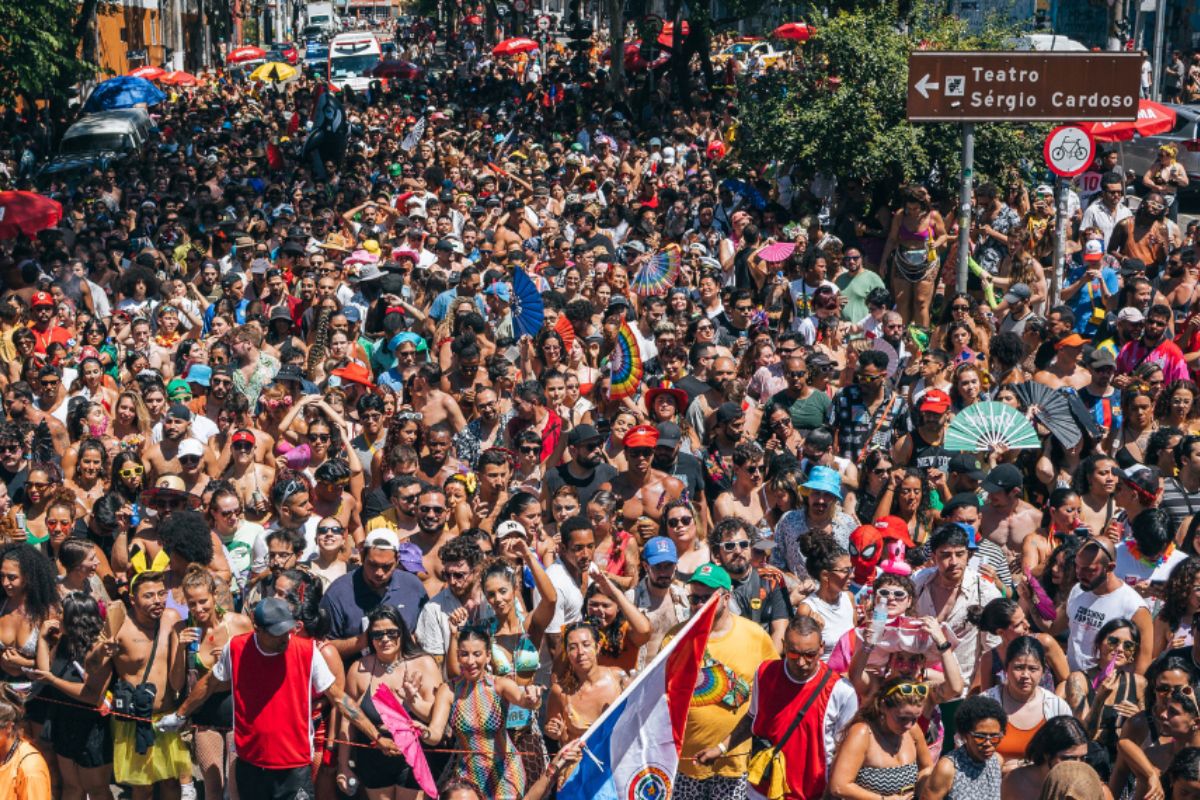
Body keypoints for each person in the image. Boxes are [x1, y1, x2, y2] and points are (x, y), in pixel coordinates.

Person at [166, 597, 400, 799]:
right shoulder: (236, 648)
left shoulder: (308, 652)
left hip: (294, 765)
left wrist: (376, 736)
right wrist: (180, 715)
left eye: (288, 630)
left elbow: (340, 698)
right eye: (277, 633)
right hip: (251, 763)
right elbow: (208, 683)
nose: (284, 638)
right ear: (257, 629)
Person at [668, 564, 779, 799]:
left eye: (706, 598)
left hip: (734, 762)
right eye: (694, 598)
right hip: (687, 762)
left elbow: (773, 686)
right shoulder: (676, 638)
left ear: (726, 597)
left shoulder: (754, 635)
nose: (699, 604)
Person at [829, 674, 934, 800]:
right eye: (902, 718)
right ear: (883, 706)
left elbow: (927, 767)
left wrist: (918, 793)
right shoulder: (863, 733)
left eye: (914, 718)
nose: (908, 725)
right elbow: (839, 786)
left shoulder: (913, 730)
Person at [922, 694, 1007, 800]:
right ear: (965, 735)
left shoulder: (997, 761)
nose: (988, 743)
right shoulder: (947, 768)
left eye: (995, 737)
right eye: (980, 737)